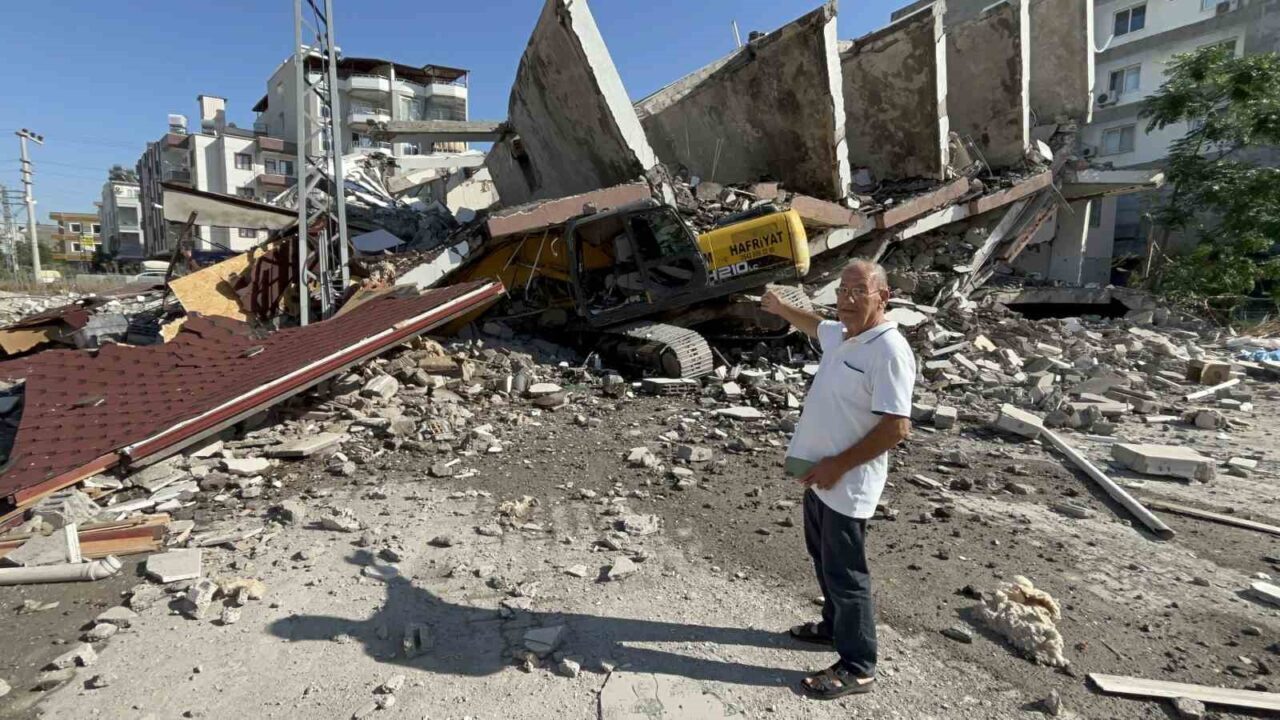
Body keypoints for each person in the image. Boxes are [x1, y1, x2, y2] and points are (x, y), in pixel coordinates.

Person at [760, 259, 916, 700]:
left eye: (857, 292)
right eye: (841, 292)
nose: (846, 301)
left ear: (882, 298)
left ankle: (859, 665)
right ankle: (833, 627)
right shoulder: (846, 335)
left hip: (847, 483)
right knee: (822, 557)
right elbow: (815, 326)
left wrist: (838, 466)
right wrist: (779, 307)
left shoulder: (889, 351)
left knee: (847, 574)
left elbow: (896, 427)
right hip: (819, 476)